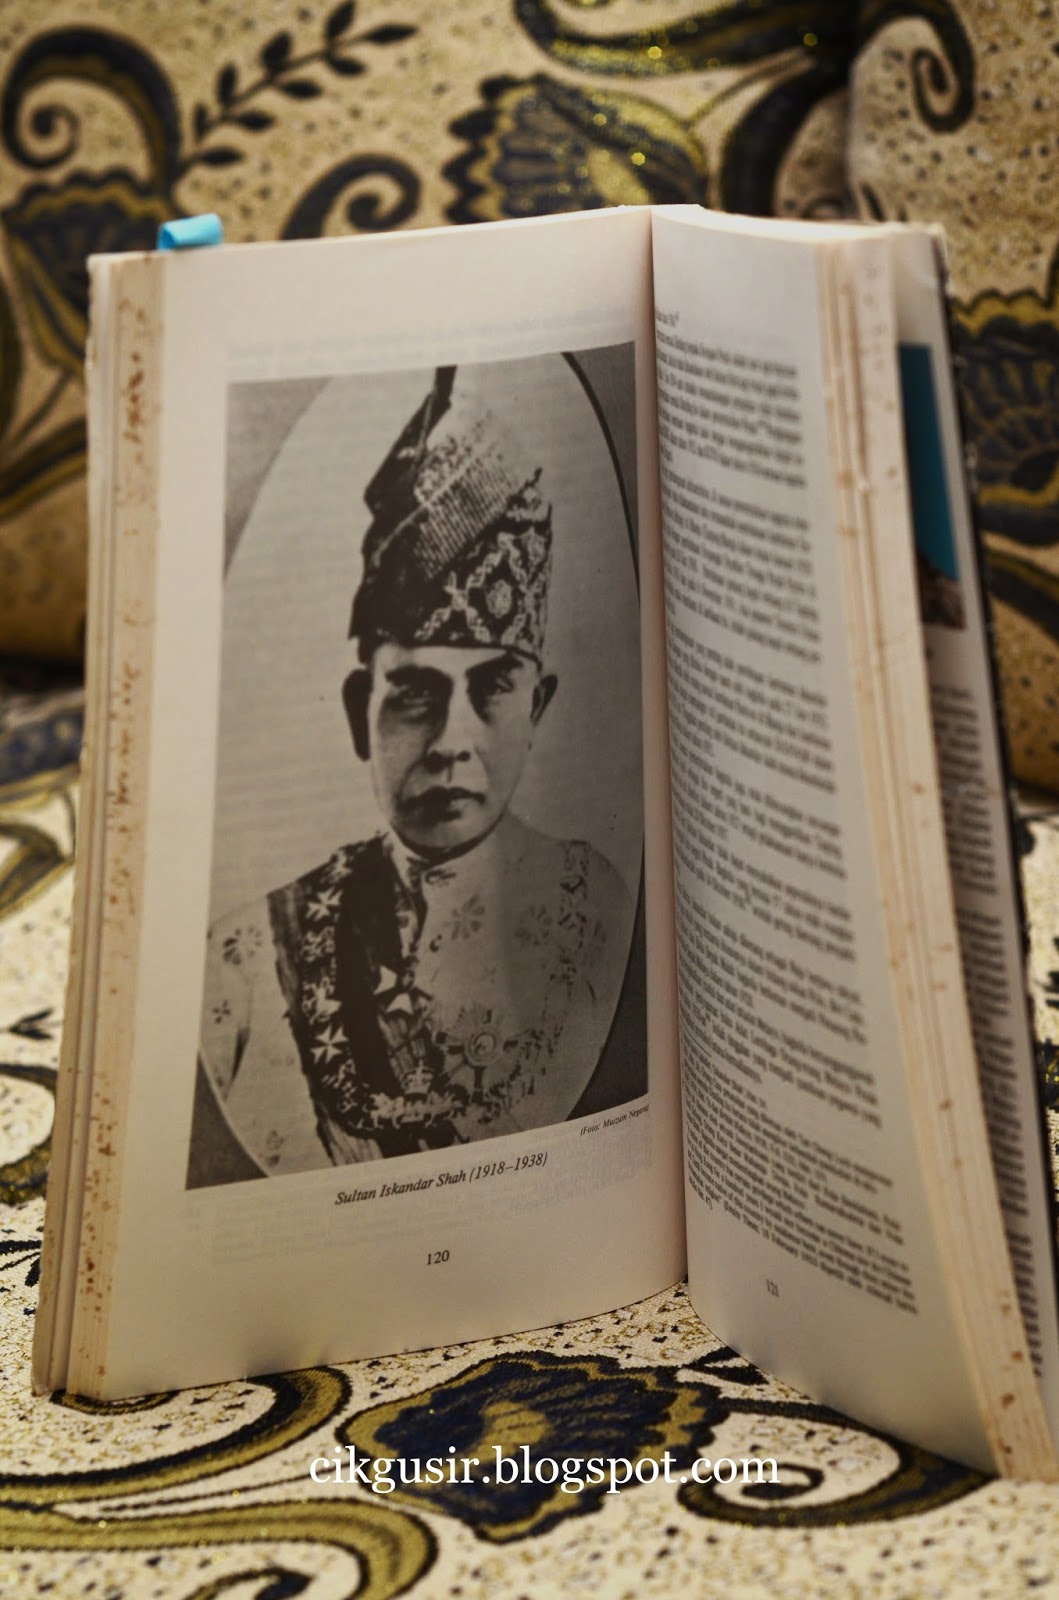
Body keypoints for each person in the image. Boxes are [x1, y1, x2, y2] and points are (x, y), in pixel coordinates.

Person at [191, 362, 644, 1182]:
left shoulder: (598, 907)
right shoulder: (245, 962)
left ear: (537, 707)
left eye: (492, 686)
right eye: (414, 694)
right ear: (357, 711)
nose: (449, 742)